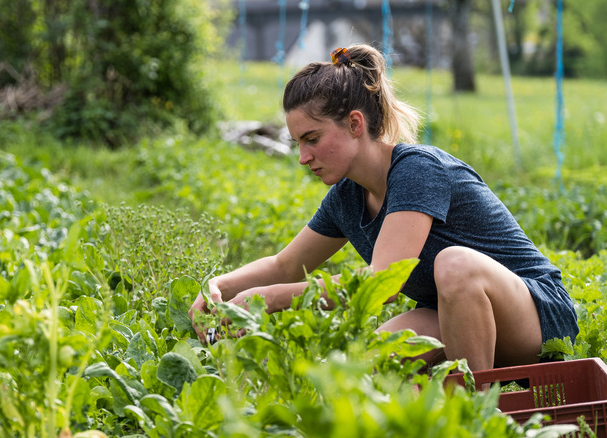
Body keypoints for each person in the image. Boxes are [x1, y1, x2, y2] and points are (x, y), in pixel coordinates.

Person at [188, 44, 579, 372]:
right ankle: (449, 399)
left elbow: (384, 283)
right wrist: (218, 287)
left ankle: (477, 409)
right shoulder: (347, 196)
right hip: (456, 319)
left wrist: (266, 299)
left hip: (538, 317)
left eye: (312, 139)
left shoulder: (417, 170)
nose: (304, 157)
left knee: (454, 262)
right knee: (373, 356)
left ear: (355, 123)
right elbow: (284, 266)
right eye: (298, 144)